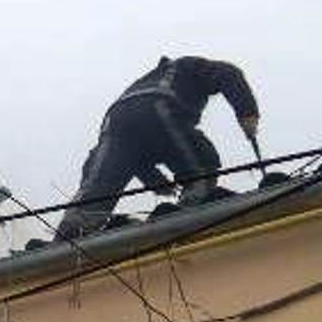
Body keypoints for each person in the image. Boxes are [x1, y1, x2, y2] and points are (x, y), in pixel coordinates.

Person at [58, 56, 260, 238]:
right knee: (201, 163)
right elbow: (228, 72)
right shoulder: (187, 66)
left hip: (114, 121)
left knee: (100, 184)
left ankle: (72, 233)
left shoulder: (145, 81)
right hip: (157, 105)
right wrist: (247, 112)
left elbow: (134, 154)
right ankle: (196, 207)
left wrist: (157, 183)